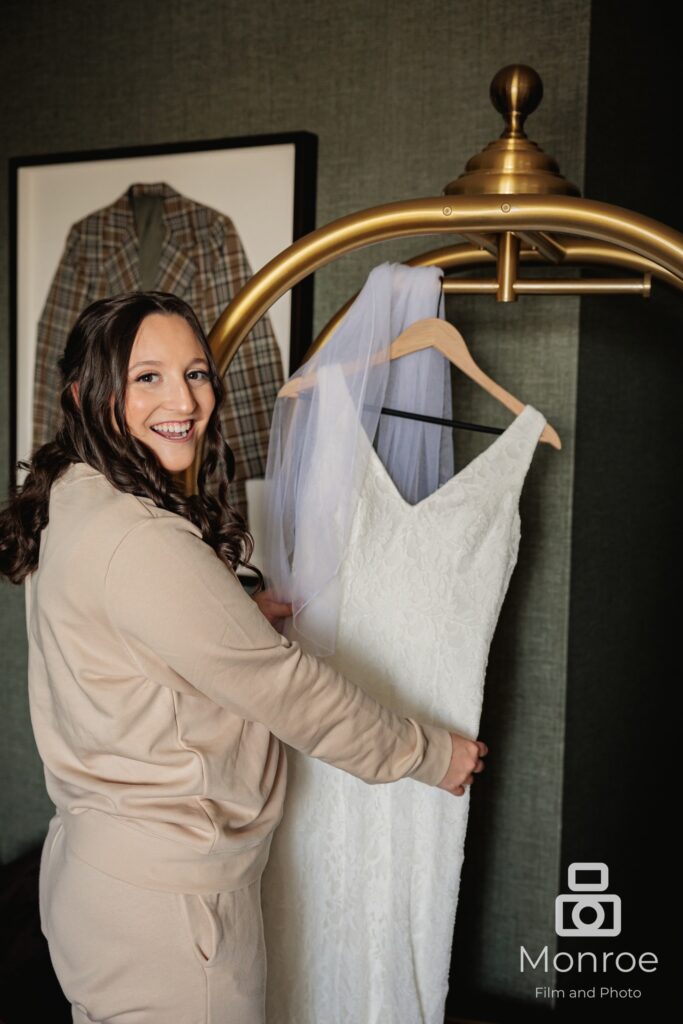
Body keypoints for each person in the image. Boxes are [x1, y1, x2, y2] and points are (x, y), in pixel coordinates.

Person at [0, 291, 488, 1024]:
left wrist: (222, 613)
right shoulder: (143, 541)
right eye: (149, 378)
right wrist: (428, 754)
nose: (185, 400)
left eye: (197, 373)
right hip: (172, 914)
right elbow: (291, 693)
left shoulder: (74, 495)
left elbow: (118, 628)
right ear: (86, 392)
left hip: (98, 879)